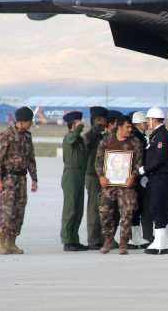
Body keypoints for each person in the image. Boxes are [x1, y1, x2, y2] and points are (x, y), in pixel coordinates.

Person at [0, 106, 39, 255]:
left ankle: (11, 242)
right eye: (30, 120)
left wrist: (34, 178)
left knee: (19, 211)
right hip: (8, 179)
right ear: (23, 121)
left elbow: (31, 158)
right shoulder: (7, 135)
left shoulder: (27, 137)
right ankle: (0, 242)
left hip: (21, 178)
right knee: (7, 210)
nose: (32, 123)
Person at [95, 115, 144, 255]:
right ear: (120, 127)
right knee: (104, 211)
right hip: (109, 184)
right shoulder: (107, 141)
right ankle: (108, 239)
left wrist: (133, 175)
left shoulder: (135, 142)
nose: (130, 129)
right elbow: (98, 160)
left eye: (131, 127)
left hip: (126, 184)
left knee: (127, 213)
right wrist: (101, 176)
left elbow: (139, 163)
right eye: (127, 127)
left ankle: (123, 242)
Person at [138, 107, 168, 255]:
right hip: (157, 176)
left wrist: (144, 170)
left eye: (148, 119)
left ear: (153, 119)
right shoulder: (157, 135)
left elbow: (159, 158)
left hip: (160, 176)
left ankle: (159, 244)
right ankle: (162, 242)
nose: (147, 122)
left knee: (157, 208)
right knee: (159, 208)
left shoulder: (161, 136)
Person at [60, 111, 88, 252]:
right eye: (78, 122)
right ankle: (66, 239)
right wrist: (78, 128)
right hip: (71, 175)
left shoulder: (79, 139)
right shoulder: (69, 137)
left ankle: (74, 239)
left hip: (79, 175)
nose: (81, 124)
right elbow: (72, 138)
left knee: (78, 210)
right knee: (70, 209)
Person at [83, 106, 108, 250]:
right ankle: (93, 238)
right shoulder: (91, 136)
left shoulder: (101, 137)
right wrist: (96, 128)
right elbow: (85, 140)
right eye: (103, 122)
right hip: (92, 176)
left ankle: (102, 237)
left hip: (101, 176)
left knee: (103, 207)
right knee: (93, 207)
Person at [127, 111, 152, 248]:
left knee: (138, 206)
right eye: (145, 121)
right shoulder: (136, 137)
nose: (147, 124)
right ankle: (133, 238)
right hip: (136, 176)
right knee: (135, 207)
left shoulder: (139, 136)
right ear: (139, 122)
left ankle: (136, 237)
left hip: (139, 175)